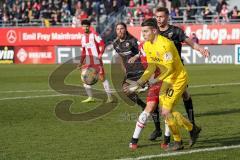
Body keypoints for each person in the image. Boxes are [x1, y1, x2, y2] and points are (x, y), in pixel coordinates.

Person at [127, 18, 201, 151]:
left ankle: (187, 133)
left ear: (154, 31)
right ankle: (185, 135)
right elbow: (151, 67)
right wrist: (140, 82)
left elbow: (170, 69)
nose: (143, 34)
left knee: (166, 111)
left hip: (177, 78)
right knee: (167, 112)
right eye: (142, 31)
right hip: (166, 79)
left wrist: (154, 81)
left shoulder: (165, 45)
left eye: (146, 31)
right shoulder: (147, 45)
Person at [154, 7, 209, 148]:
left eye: (161, 16)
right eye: (157, 17)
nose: (159, 19)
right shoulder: (154, 32)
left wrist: (201, 49)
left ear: (167, 17)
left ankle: (187, 131)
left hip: (176, 71)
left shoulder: (175, 31)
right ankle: (187, 131)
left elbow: (190, 42)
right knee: (172, 101)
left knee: (180, 98)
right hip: (162, 72)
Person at [113, 22, 162, 140]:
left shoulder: (133, 41)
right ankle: (143, 107)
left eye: (122, 29)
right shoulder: (115, 44)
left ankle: (157, 128)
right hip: (129, 73)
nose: (120, 31)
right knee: (125, 91)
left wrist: (137, 58)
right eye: (118, 29)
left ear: (125, 30)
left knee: (152, 101)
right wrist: (124, 69)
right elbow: (121, 57)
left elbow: (143, 52)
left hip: (141, 71)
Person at [78, 19, 113, 103]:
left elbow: (103, 44)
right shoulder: (82, 37)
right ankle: (90, 97)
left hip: (96, 60)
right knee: (84, 77)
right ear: (82, 27)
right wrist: (80, 62)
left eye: (87, 26)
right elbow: (83, 51)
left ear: (89, 27)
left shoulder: (94, 35)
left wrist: (100, 54)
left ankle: (110, 97)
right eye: (84, 26)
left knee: (102, 78)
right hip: (88, 61)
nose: (85, 27)